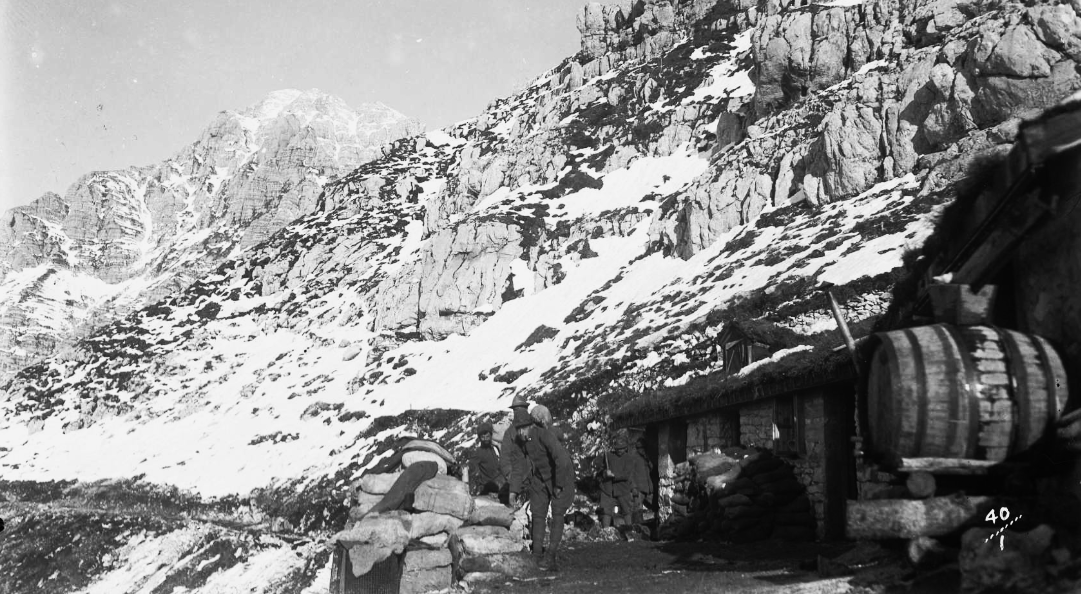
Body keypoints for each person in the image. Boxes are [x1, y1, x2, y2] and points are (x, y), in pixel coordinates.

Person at [508, 408, 574, 571]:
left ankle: (550, 556)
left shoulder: (544, 435)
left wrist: (558, 485)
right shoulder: (521, 441)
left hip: (561, 475)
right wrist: (513, 491)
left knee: (557, 513)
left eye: (522, 429)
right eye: (517, 429)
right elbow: (517, 467)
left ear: (530, 425)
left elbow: (562, 460)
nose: (520, 433)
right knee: (537, 512)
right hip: (540, 477)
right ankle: (537, 554)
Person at [597, 434, 634, 528]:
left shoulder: (629, 458)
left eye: (622, 448)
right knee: (606, 511)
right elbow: (601, 470)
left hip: (623, 488)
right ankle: (605, 532)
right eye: (618, 448)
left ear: (626, 448)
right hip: (607, 488)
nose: (620, 450)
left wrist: (613, 475)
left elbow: (626, 475)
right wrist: (605, 473)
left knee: (627, 511)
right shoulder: (608, 456)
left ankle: (629, 531)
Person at [469, 421, 506, 496]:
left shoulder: (495, 447)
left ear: (491, 436)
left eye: (487, 436)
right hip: (490, 485)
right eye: (483, 437)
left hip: (501, 481)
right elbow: (471, 467)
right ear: (479, 438)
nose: (485, 439)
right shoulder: (478, 452)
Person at [629, 437, 654, 525]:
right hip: (639, 489)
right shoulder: (633, 458)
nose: (641, 450)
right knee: (637, 511)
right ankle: (636, 528)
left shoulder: (645, 457)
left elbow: (651, 468)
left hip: (648, 488)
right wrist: (633, 488)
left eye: (643, 448)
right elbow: (630, 474)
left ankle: (647, 528)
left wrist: (647, 459)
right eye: (639, 448)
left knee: (649, 511)